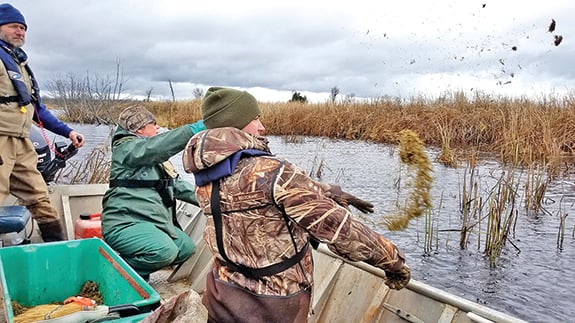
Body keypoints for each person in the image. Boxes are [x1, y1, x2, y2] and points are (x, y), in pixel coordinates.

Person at [182, 87, 411, 322]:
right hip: (273, 307)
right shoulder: (274, 172)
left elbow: (256, 191)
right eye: (255, 118)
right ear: (235, 123)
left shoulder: (206, 174)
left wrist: (324, 191)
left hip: (221, 297)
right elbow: (341, 231)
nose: (262, 127)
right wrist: (394, 262)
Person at [0, 3, 84, 242]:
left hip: (21, 144)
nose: (20, 32)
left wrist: (68, 132)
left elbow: (38, 110)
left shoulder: (19, 64)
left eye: (23, 28)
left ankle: (57, 255)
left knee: (40, 199)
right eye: (14, 26)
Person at [101, 105, 205, 280]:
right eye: (153, 124)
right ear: (140, 129)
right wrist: (194, 129)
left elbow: (178, 186)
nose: (157, 128)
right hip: (125, 223)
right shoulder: (127, 150)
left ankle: (137, 271)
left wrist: (212, 201)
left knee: (185, 249)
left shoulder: (154, 159)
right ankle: (112, 274)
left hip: (153, 223)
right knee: (164, 252)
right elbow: (158, 147)